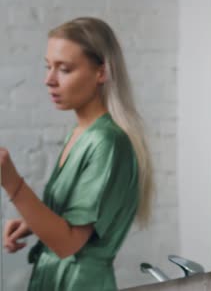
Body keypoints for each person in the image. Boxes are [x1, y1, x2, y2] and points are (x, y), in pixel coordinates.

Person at [0, 17, 154, 291]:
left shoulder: (107, 141)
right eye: (48, 67)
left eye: (65, 69)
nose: (49, 80)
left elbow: (69, 243)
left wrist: (12, 182)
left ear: (101, 72)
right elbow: (73, 222)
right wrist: (33, 223)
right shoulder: (81, 133)